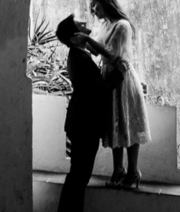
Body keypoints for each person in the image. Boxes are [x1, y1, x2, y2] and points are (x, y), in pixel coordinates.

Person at [74, 0, 151, 190]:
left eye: (94, 5)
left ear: (106, 2)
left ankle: (133, 171)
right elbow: (95, 51)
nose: (92, 10)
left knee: (128, 124)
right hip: (108, 79)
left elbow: (112, 55)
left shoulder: (122, 26)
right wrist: (79, 38)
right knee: (114, 124)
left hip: (122, 79)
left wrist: (88, 40)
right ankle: (118, 169)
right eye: (90, 6)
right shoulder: (104, 25)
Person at [55, 14, 111, 212]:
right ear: (73, 37)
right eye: (79, 24)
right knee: (79, 177)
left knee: (78, 177)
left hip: (81, 123)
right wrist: (120, 73)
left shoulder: (80, 55)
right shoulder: (79, 58)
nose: (84, 23)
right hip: (84, 124)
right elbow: (99, 89)